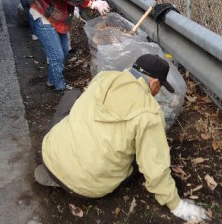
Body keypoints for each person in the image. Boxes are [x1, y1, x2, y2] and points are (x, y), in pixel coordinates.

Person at [34, 54, 209, 222]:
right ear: (154, 82)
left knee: (72, 98)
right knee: (138, 161)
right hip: (86, 186)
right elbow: (154, 168)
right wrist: (176, 205)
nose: (158, 91)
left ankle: (63, 161)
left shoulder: (105, 77)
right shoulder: (149, 112)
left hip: (50, 153)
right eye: (160, 87)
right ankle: (77, 174)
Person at [29, 0, 110, 93]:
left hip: (59, 17)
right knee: (57, 55)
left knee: (64, 51)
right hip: (43, 16)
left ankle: (51, 82)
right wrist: (91, 4)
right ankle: (60, 87)